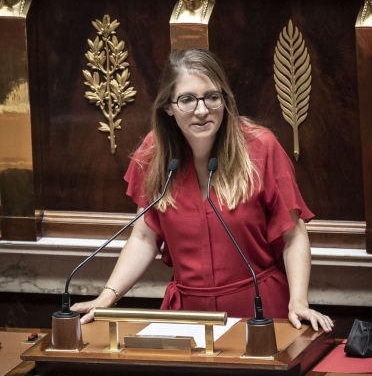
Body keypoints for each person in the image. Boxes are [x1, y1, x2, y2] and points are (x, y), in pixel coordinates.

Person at [71, 49, 333, 333]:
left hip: (259, 309)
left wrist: (298, 301)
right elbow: (145, 237)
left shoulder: (261, 148)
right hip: (186, 317)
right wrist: (108, 297)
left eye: (212, 97)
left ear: (225, 99)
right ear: (168, 107)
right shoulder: (154, 153)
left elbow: (293, 234)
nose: (201, 110)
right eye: (187, 99)